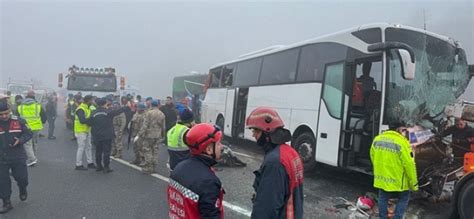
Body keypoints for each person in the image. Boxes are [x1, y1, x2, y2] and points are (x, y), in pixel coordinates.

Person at [246, 107, 304, 219]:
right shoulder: (290, 152)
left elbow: (267, 207)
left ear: (267, 132)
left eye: (256, 131)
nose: (254, 135)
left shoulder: (275, 162)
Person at [168, 123, 225, 218]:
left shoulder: (178, 168)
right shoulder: (208, 181)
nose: (222, 147)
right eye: (218, 143)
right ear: (209, 149)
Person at [370, 121, 418, 219]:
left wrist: (380, 169)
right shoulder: (403, 142)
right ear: (399, 129)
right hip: (398, 180)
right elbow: (409, 165)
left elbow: (372, 156)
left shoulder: (377, 139)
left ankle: (382, 217)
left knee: (382, 197)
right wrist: (414, 184)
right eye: (404, 130)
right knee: (404, 197)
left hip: (382, 178)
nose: (405, 132)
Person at [0, 101, 33, 214]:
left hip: (17, 155)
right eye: (1, 114)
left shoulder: (19, 121)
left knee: (22, 178)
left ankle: (22, 188)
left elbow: (29, 133)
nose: (4, 116)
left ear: (9, 111)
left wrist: (20, 140)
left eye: (6, 113)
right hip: (1, 157)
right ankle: (6, 202)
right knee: (2, 181)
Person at [89, 98, 128, 173]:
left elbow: (89, 122)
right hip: (107, 135)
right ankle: (106, 167)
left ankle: (99, 166)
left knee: (98, 151)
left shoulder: (93, 113)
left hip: (97, 135)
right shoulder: (108, 112)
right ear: (105, 104)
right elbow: (118, 111)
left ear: (97, 104)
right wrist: (126, 107)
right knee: (106, 151)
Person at [18, 90, 46, 167]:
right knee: (34, 142)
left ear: (26, 97)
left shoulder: (20, 107)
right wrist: (42, 122)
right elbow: (44, 117)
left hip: (26, 127)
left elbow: (18, 117)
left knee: (27, 144)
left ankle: (32, 158)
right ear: (34, 97)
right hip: (36, 127)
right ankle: (33, 157)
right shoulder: (38, 106)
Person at [136, 100, 165, 174]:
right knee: (155, 150)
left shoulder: (149, 113)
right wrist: (163, 136)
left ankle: (149, 167)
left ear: (151, 105)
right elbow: (163, 127)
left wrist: (140, 134)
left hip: (149, 134)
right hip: (157, 134)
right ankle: (154, 166)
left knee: (147, 150)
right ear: (158, 105)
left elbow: (145, 125)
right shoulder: (161, 114)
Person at [74, 95, 95, 170]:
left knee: (88, 147)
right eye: (92, 100)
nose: (93, 102)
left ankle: (90, 163)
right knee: (81, 148)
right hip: (80, 131)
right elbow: (82, 120)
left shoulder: (87, 108)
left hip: (87, 130)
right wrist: (92, 120)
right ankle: (78, 164)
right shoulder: (81, 109)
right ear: (88, 101)